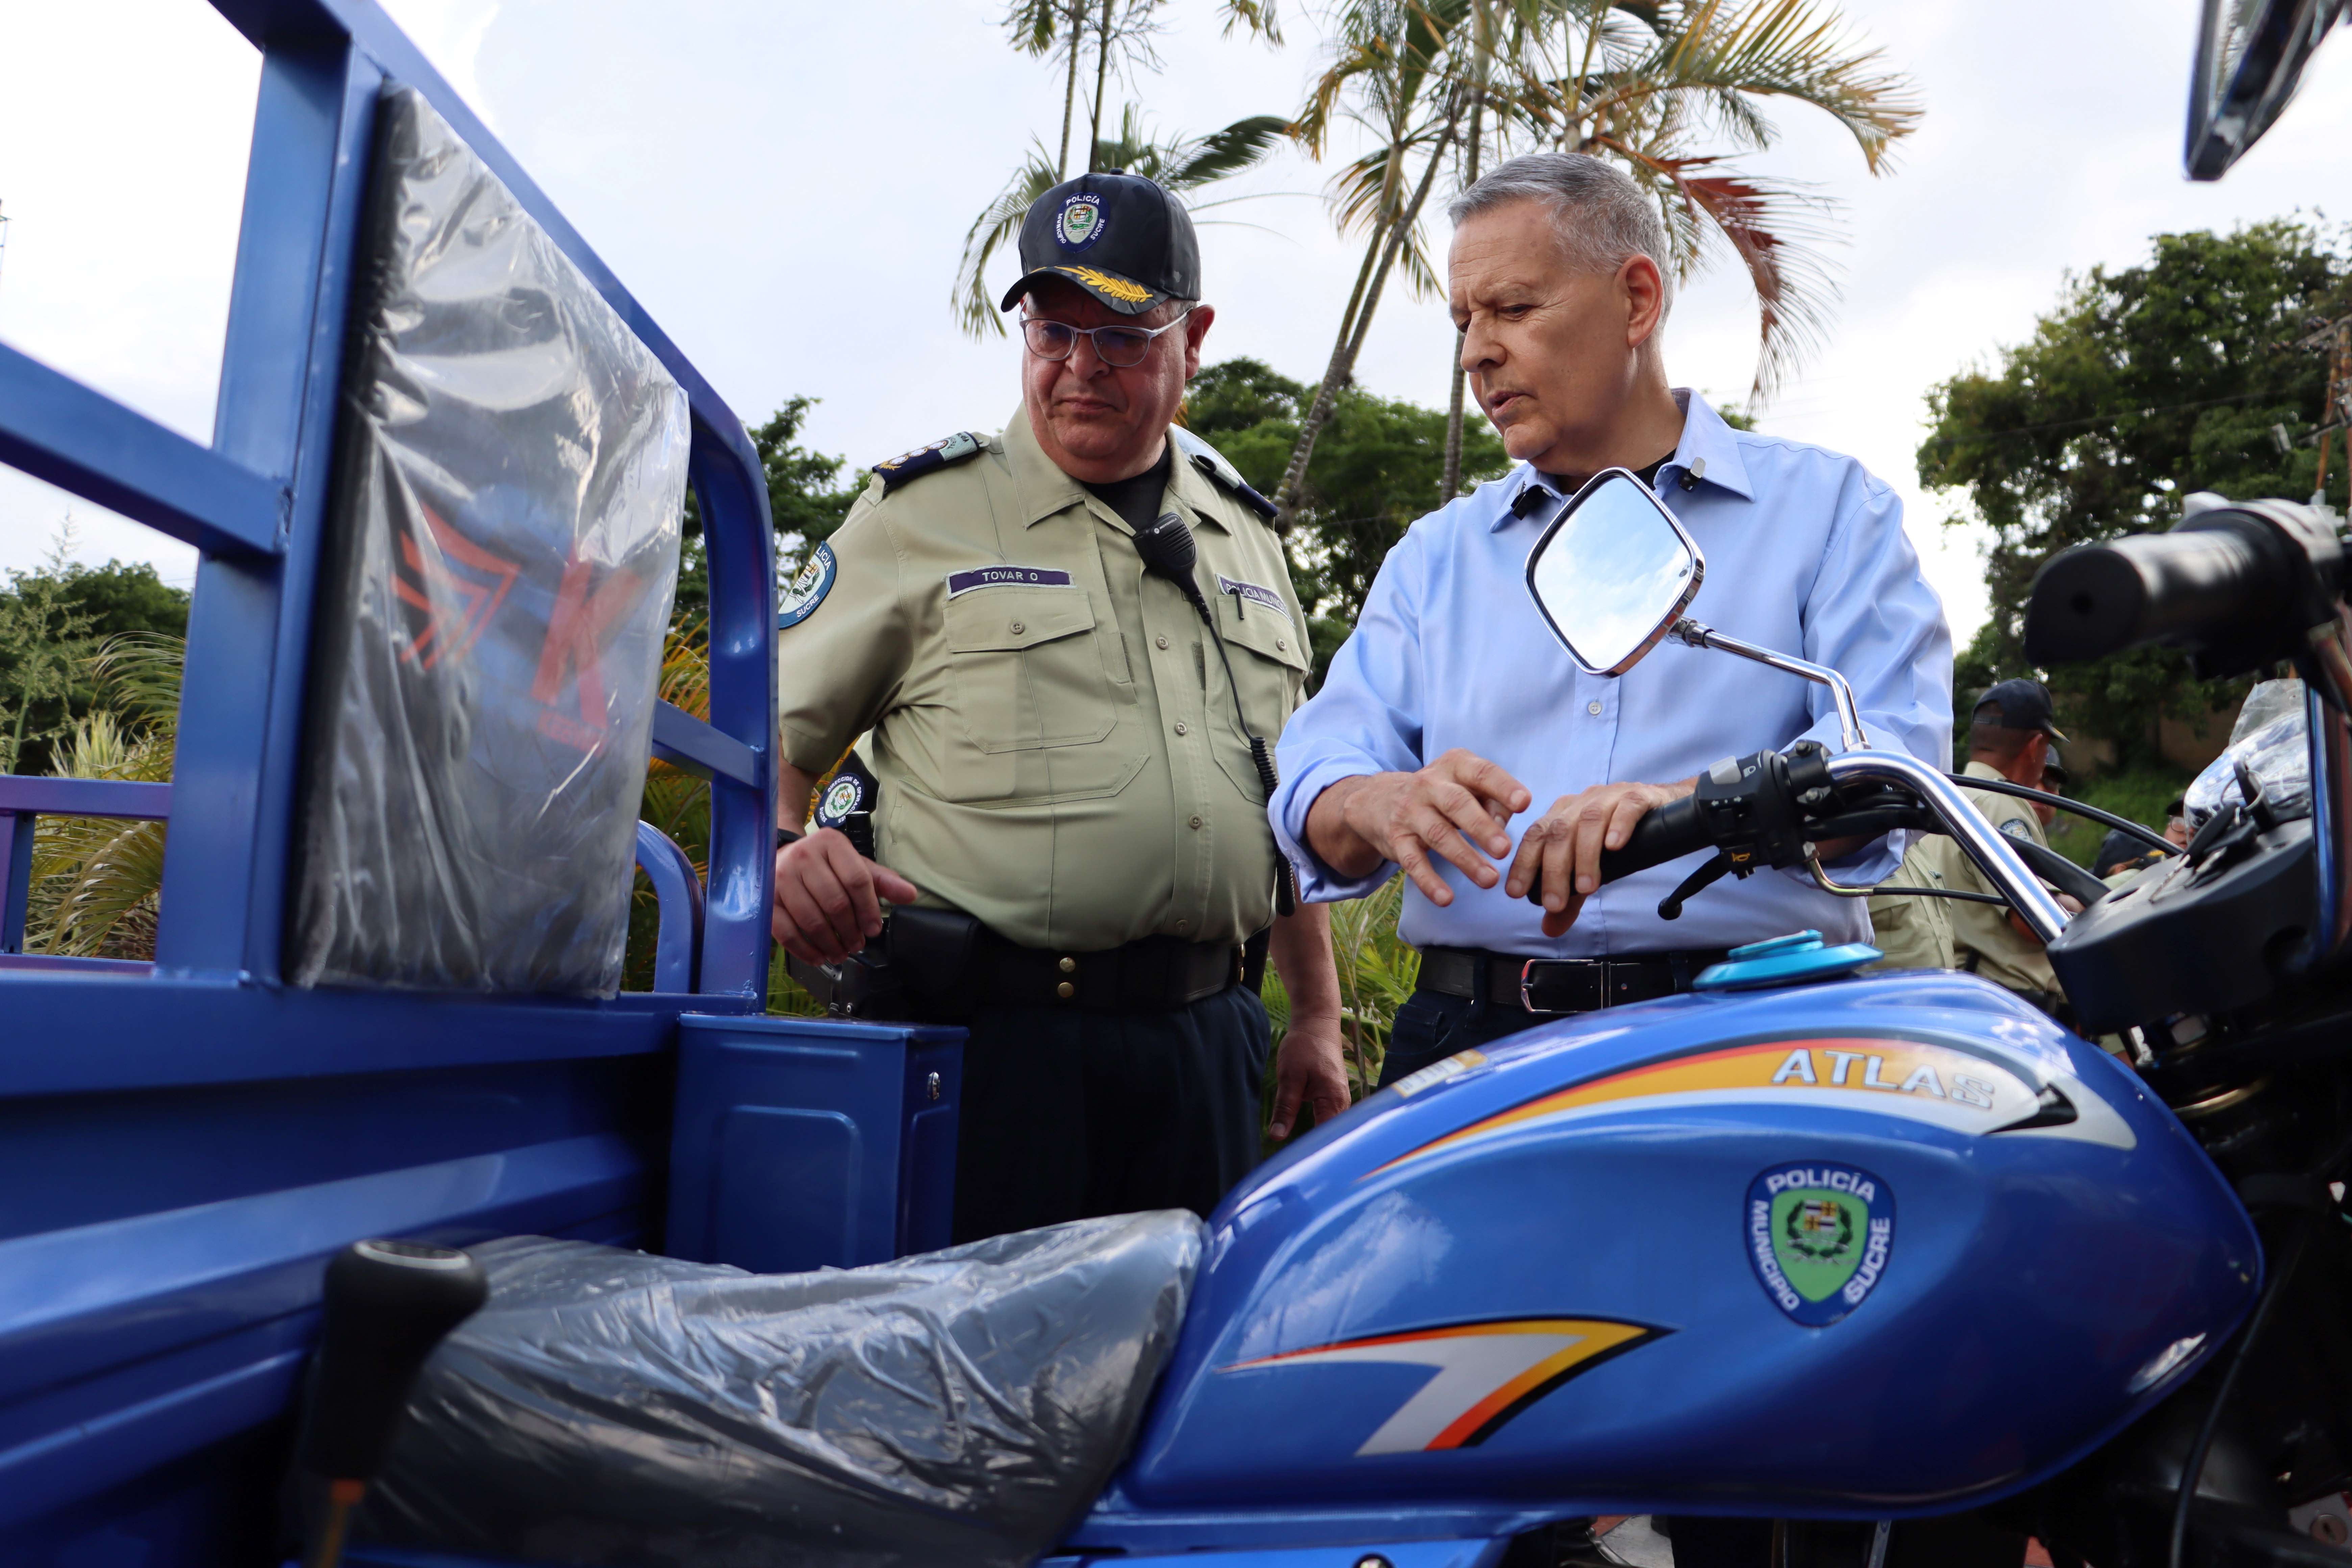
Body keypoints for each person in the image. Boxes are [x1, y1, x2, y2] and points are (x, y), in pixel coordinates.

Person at [1269, 151, 1953, 1083]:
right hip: (1471, 1048)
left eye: (1512, 309)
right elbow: (1316, 779)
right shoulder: (1438, 557)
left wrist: (1686, 808)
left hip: (1755, 1034)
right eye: (1465, 322)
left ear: (1637, 301)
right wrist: (1376, 800)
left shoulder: (1830, 512)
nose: (1476, 352)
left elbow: (1892, 764)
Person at [769, 170, 1347, 1244]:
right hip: (993, 1054)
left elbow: (1288, 800)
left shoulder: (1249, 542)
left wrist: (1313, 1014)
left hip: (1207, 1050)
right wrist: (783, 847)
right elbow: (767, 742)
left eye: (1121, 333)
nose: (1080, 368)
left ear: (1194, 336)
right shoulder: (921, 520)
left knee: (1182, 1376)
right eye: (1051, 330)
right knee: (977, 1377)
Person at [1932, 679, 2072, 1014]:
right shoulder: (2002, 804)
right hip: (2016, 1008)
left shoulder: (1946, 795)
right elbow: (2034, 922)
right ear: (2036, 745)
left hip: (1973, 997)